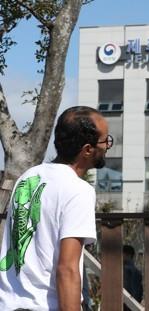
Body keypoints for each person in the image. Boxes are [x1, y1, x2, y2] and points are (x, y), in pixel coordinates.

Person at [0, 106, 111, 310]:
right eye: (105, 141)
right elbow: (67, 269)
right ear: (87, 149)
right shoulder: (78, 190)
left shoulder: (28, 177)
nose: (107, 146)